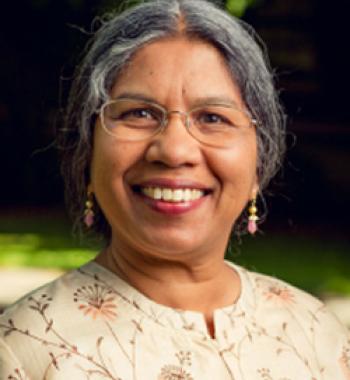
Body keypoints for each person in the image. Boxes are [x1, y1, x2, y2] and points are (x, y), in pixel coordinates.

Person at [1, 0, 349, 378]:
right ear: (86, 150)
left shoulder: (317, 336)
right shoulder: (25, 351)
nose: (174, 150)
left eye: (213, 118)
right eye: (138, 113)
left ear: (258, 163)